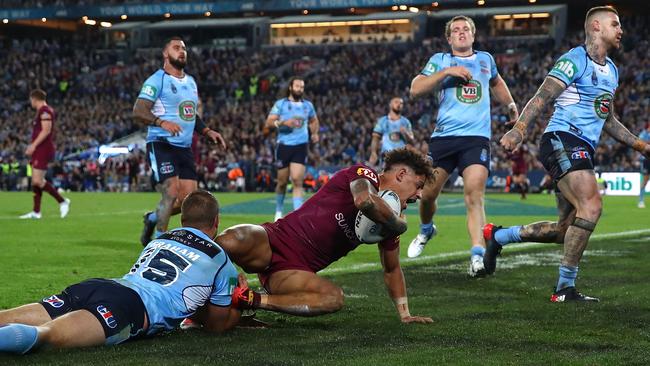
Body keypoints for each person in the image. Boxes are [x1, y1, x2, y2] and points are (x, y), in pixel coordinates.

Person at [484, 6, 650, 302]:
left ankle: (497, 237)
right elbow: (542, 97)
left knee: (564, 230)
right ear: (596, 27)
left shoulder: (612, 70)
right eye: (615, 24)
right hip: (562, 138)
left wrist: (642, 146)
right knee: (592, 205)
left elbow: (607, 119)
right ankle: (564, 288)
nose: (621, 30)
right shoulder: (575, 59)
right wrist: (519, 130)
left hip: (582, 147)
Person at [0, 190, 240, 354]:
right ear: (217, 220)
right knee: (45, 336)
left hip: (100, 286)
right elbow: (217, 325)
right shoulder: (220, 259)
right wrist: (241, 302)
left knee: (6, 317)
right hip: (130, 307)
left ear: (182, 220)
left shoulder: (159, 240)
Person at [214, 148, 433, 323]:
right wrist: (398, 225)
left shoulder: (388, 222)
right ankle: (193, 272)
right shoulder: (363, 173)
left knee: (333, 298)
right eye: (418, 185)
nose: (420, 194)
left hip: (293, 271)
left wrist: (405, 314)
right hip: (275, 239)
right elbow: (364, 201)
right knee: (230, 241)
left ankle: (250, 299)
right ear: (402, 174)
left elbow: (392, 268)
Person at [407, 16, 519, 278]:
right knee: (427, 195)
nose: (460, 33)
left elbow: (497, 83)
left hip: (476, 138)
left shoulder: (485, 59)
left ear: (473, 34)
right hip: (444, 138)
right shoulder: (440, 60)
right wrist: (447, 72)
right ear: (449, 39)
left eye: (465, 29)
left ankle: (477, 256)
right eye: (455, 30)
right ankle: (426, 231)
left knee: (474, 195)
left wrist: (511, 106)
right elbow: (415, 89)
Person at [133, 36, 226, 245]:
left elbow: (190, 114)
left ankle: (152, 218)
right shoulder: (157, 80)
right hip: (161, 143)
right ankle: (159, 242)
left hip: (183, 147)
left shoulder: (191, 82)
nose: (182, 51)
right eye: (176, 48)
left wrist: (207, 131)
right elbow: (138, 110)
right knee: (171, 191)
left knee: (187, 200)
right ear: (166, 54)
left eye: (184, 48)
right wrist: (160, 122)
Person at [264, 76, 320, 221]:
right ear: (290, 87)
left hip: (301, 146)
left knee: (297, 180)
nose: (300, 89)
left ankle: (298, 215)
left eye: (302, 87)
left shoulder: (308, 105)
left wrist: (314, 133)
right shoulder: (280, 104)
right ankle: (278, 211)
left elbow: (314, 120)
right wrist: (282, 122)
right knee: (282, 182)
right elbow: (269, 123)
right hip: (283, 146)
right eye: (297, 86)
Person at [19, 89, 70, 219]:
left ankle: (62, 201)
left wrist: (33, 145)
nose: (31, 102)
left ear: (35, 99)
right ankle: (36, 212)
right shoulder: (41, 112)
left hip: (43, 149)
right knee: (36, 182)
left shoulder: (45, 111)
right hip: (39, 149)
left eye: (31, 100)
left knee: (37, 180)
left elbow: (46, 131)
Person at [368, 97, 414, 168]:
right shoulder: (382, 121)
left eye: (401, 103)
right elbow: (375, 138)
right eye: (396, 102)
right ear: (390, 104)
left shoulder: (406, 122)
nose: (399, 104)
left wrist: (406, 133)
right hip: (386, 158)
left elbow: (412, 141)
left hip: (401, 158)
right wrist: (373, 152)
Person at [638, 123, 650, 208]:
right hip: (646, 160)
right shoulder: (643, 134)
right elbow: (640, 146)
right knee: (645, 182)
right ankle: (641, 200)